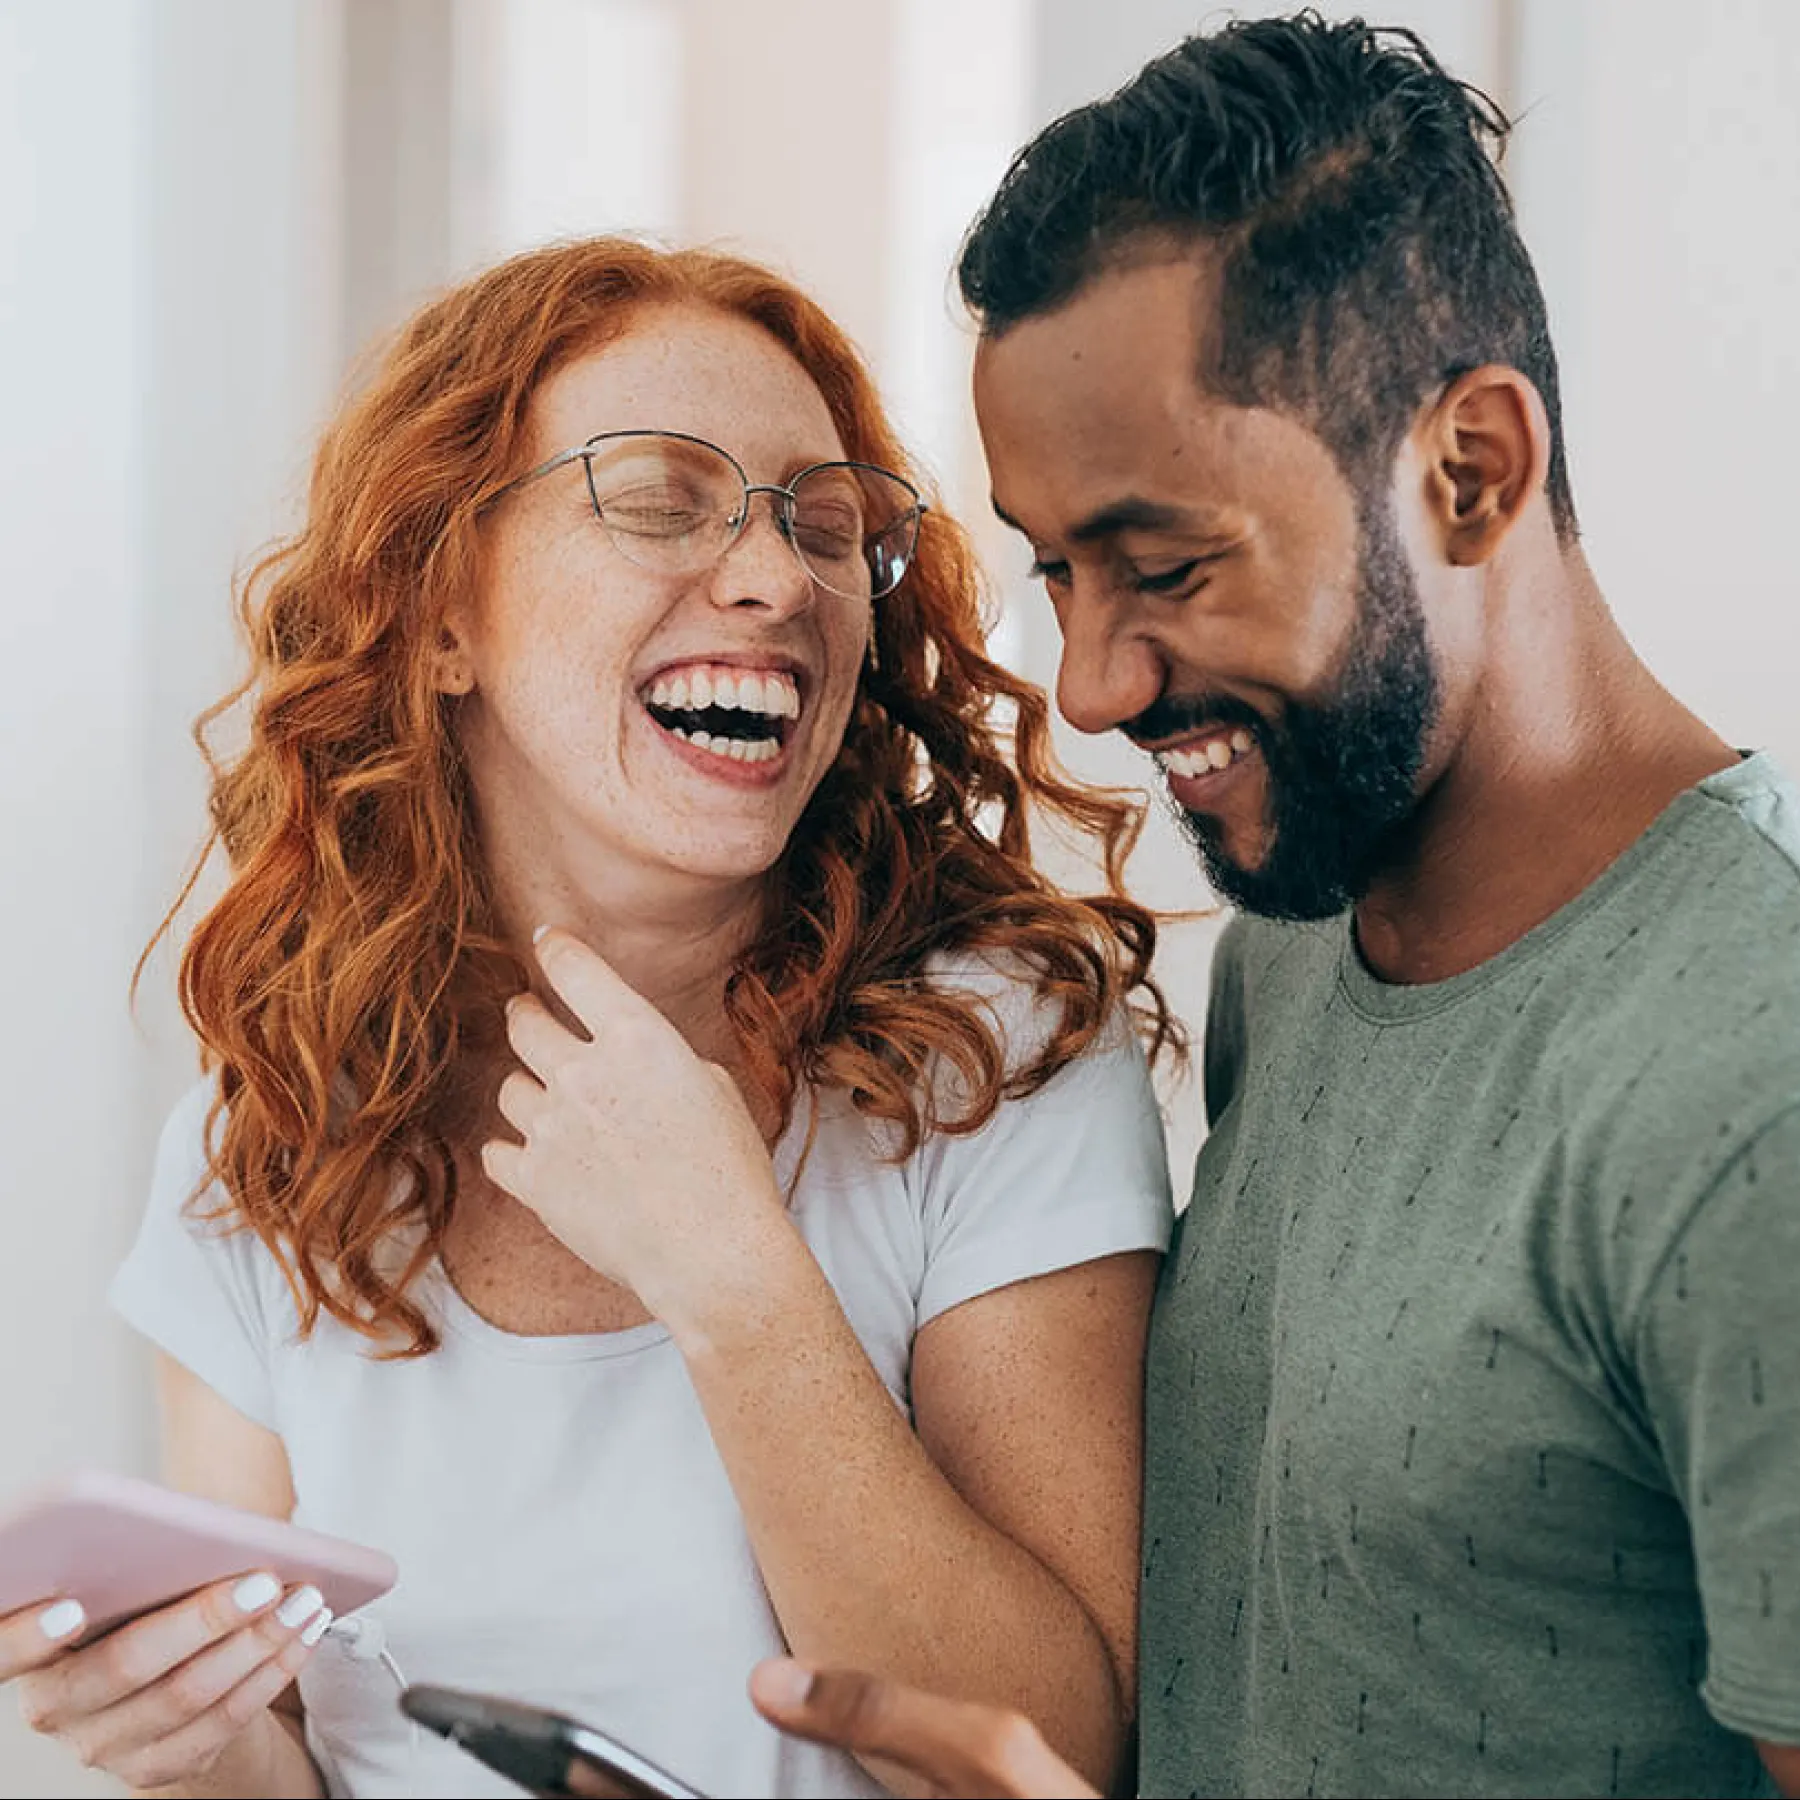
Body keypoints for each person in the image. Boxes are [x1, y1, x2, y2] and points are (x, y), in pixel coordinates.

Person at [747, 13, 1800, 1798]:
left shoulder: (1748, 1083)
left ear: (1474, 470)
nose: (1086, 680)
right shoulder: (1296, 945)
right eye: (1055, 568)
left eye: (1164, 567)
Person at [0, 239, 1182, 1798]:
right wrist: (202, 1739)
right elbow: (300, 1760)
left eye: (824, 526)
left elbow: (1046, 1759)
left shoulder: (994, 1061)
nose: (778, 578)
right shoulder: (265, 1143)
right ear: (440, 618)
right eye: (661, 496)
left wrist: (736, 1283)